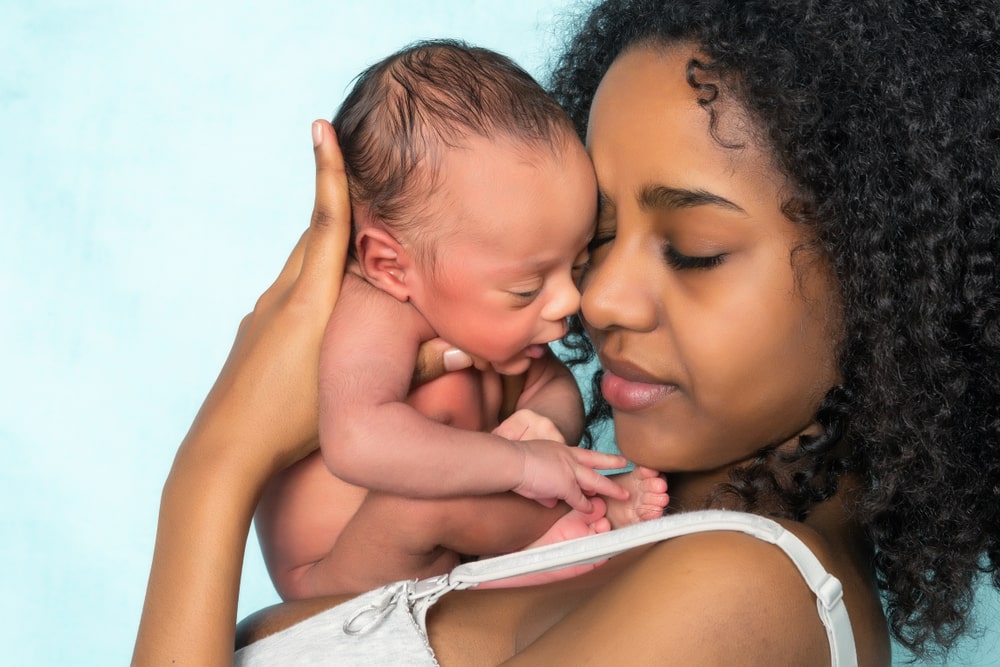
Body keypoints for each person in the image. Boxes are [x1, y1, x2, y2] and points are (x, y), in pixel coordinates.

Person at [132, 0, 1000, 665]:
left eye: (693, 250)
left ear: (891, 280)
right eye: (601, 237)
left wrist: (214, 467)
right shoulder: (605, 527)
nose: (600, 296)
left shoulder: (739, 592)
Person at [254, 40, 667, 601]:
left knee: (467, 474)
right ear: (390, 266)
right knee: (421, 495)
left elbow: (556, 385)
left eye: (578, 264)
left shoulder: (485, 313)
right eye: (527, 287)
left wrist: (545, 425)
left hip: (445, 548)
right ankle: (572, 528)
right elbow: (358, 441)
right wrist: (520, 463)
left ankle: (545, 538)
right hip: (340, 568)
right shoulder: (373, 309)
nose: (569, 301)